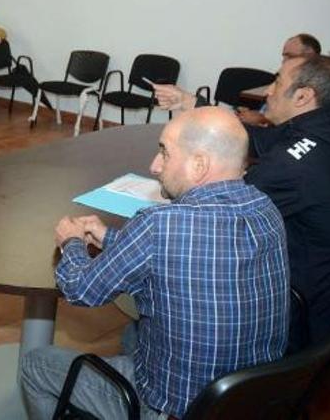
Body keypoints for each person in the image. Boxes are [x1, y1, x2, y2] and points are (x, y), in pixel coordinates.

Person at [22, 106, 289, 419]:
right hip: (249, 399)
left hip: (173, 409)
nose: (154, 165)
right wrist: (108, 237)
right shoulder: (265, 208)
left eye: (164, 152)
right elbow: (184, 251)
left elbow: (81, 289)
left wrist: (72, 242)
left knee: (36, 364)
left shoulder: (161, 224)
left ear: (199, 164)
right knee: (131, 333)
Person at [155, 55, 330, 349]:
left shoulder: (293, 165)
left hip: (297, 314)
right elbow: (250, 139)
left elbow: (215, 210)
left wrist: (172, 186)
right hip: (328, 300)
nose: (268, 91)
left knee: (175, 273)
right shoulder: (324, 127)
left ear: (304, 96)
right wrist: (191, 103)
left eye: (278, 82)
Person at [238, 33, 323, 126]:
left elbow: (296, 123)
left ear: (310, 56)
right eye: (284, 56)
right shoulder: (284, 77)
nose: (284, 61)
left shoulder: (315, 88)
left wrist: (262, 119)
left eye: (290, 56)